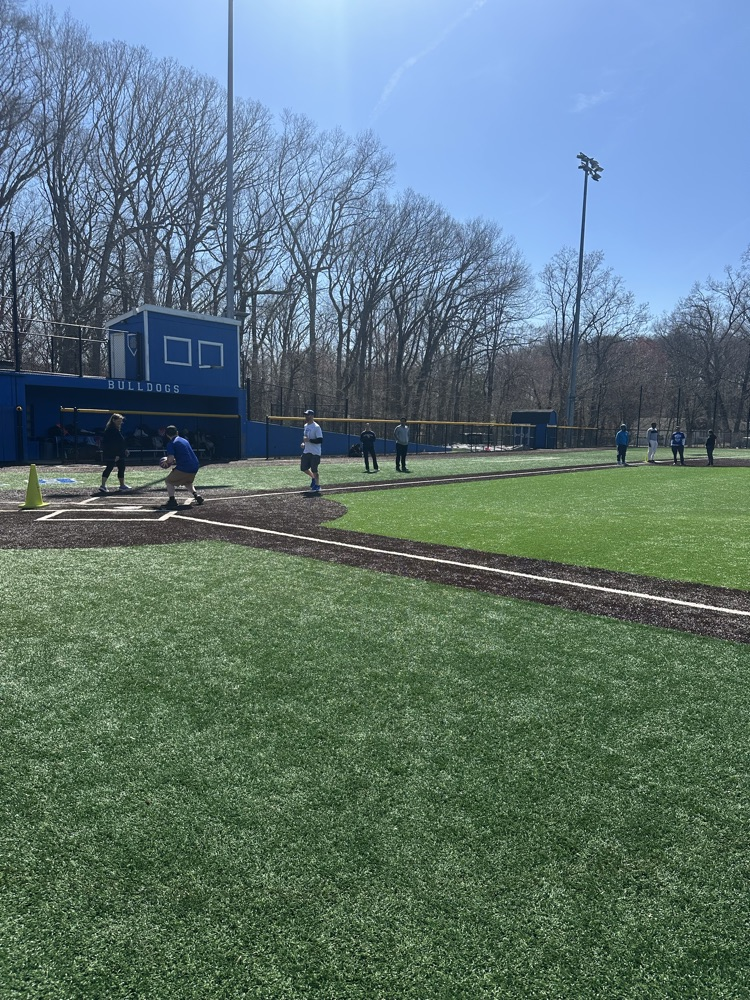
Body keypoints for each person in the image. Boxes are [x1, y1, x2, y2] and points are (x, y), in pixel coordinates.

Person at [160, 425, 204, 510]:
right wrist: (173, 461)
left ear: (167, 435)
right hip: (195, 465)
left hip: (185, 466)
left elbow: (170, 459)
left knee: (169, 481)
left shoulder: (171, 443)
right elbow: (184, 455)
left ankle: (172, 500)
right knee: (187, 481)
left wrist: (166, 462)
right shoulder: (184, 440)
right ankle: (196, 495)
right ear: (177, 432)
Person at [99, 413, 131, 493]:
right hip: (113, 453)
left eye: (121, 421)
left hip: (118, 453)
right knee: (109, 467)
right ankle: (103, 485)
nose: (120, 422)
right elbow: (113, 444)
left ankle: (122, 485)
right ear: (113, 420)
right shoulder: (111, 430)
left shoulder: (116, 429)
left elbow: (121, 442)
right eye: (118, 421)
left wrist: (125, 449)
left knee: (121, 468)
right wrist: (116, 454)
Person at [301, 409, 323, 493]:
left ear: (312, 416)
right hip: (307, 451)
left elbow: (320, 440)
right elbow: (305, 437)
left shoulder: (316, 427)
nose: (306, 416)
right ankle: (313, 478)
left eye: (308, 415)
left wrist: (309, 440)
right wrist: (303, 443)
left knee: (314, 469)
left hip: (315, 452)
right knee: (303, 468)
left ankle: (317, 485)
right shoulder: (306, 425)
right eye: (305, 415)